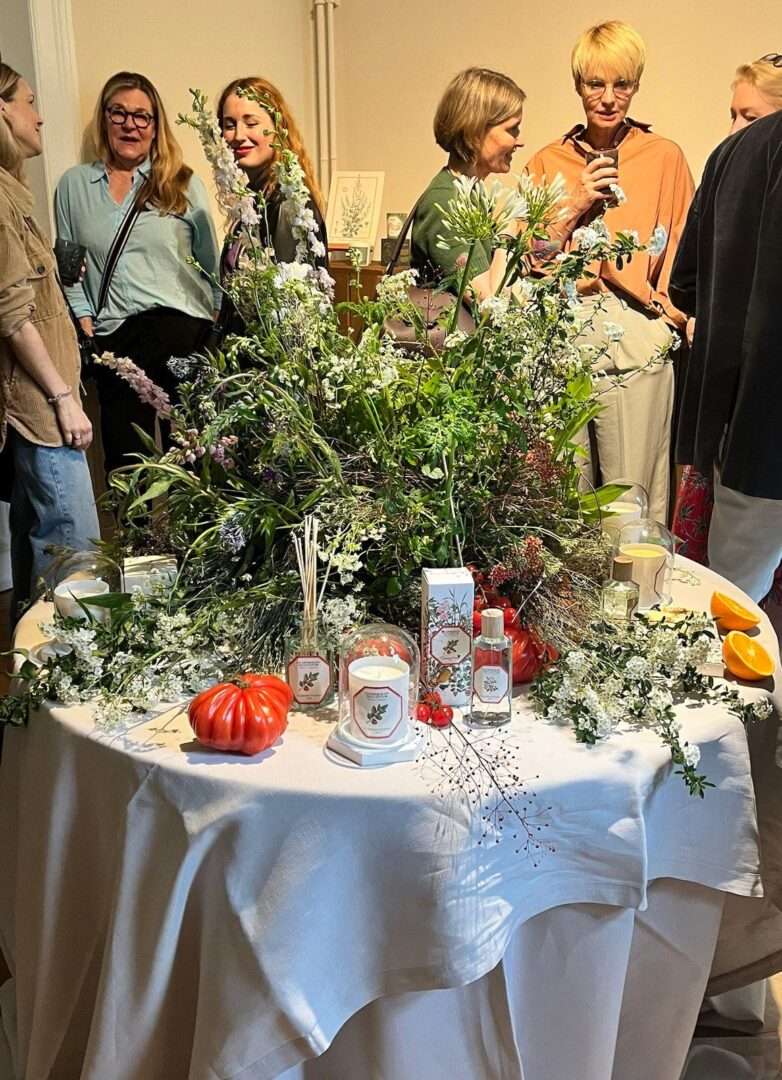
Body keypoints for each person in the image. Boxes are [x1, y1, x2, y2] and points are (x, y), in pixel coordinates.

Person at [526, 21, 694, 523]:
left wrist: (666, 319)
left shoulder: (664, 157)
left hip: (636, 340)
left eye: (621, 84)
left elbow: (686, 252)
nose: (608, 98)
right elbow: (530, 256)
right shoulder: (545, 161)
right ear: (578, 85)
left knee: (631, 504)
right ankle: (564, 602)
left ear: (636, 86)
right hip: (561, 335)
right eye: (595, 84)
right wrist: (574, 201)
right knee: (561, 501)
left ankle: (640, 599)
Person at [55, 71, 220, 480]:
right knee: (128, 467)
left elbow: (210, 263)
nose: (131, 124)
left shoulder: (181, 183)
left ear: (156, 126)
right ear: (104, 119)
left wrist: (213, 326)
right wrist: (88, 324)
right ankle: (139, 544)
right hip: (118, 339)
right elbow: (69, 269)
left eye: (142, 116)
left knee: (197, 460)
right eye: (119, 113)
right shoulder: (74, 186)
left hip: (183, 331)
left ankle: (199, 545)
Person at [673, 54, 782, 572]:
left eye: (750, 113)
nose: (737, 125)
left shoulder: (729, 157)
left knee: (736, 597)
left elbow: (684, 283)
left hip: (751, 418)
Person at [0, 57, 99, 606]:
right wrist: (63, 398)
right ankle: (63, 682)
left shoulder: (13, 194)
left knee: (42, 548)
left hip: (47, 408)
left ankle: (30, 683)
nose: (39, 117)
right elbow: (11, 315)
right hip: (41, 413)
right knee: (73, 556)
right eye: (29, 101)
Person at [216, 76, 328, 336]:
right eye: (229, 125)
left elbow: (291, 312)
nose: (238, 135)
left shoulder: (289, 206)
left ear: (278, 127)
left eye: (251, 123)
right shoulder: (255, 199)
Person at [410, 67, 526, 302]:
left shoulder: (472, 195)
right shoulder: (446, 201)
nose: (519, 141)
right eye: (511, 129)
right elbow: (490, 306)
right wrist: (506, 237)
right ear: (476, 129)